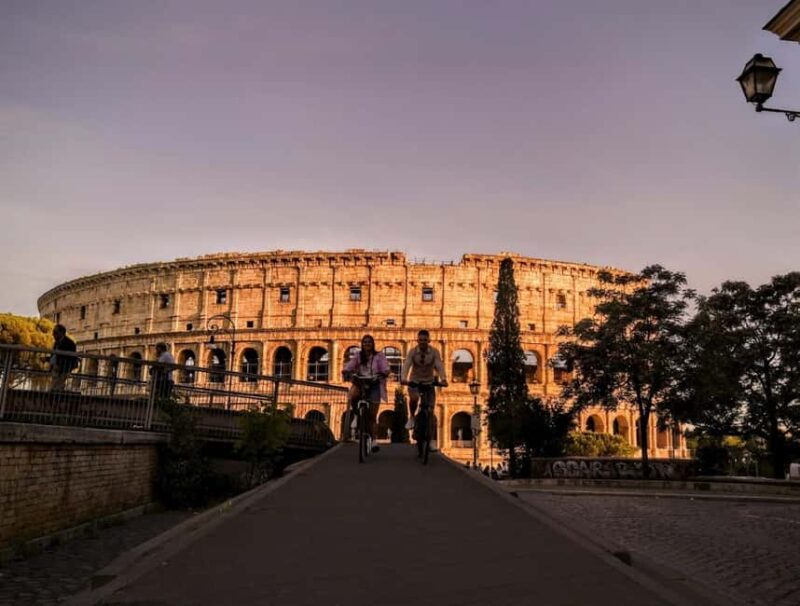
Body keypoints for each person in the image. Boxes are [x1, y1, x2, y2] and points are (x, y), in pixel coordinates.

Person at [400, 329, 448, 451]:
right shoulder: (412, 352)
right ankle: (411, 417)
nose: (422, 342)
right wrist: (403, 378)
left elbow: (439, 365)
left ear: (429, 340)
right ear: (417, 340)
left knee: (430, 411)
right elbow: (407, 365)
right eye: (420, 340)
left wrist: (443, 379)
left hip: (429, 382)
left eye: (425, 340)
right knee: (414, 398)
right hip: (415, 381)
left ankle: (431, 440)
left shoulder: (434, 352)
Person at [342, 334, 389, 453]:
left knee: (373, 417)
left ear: (373, 344)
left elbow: (385, 367)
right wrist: (346, 370)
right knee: (352, 395)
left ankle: (373, 441)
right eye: (365, 342)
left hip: (374, 384)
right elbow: (350, 365)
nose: (367, 344)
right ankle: (357, 415)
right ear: (362, 344)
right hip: (361, 382)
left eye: (369, 342)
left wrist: (385, 372)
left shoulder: (379, 356)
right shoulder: (358, 355)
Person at [49, 324, 78, 392]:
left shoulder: (69, 343)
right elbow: (55, 355)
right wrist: (48, 359)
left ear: (61, 332)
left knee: (57, 386)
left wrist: (63, 366)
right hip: (56, 367)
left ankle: (55, 399)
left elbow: (70, 356)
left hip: (63, 368)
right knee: (55, 385)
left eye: (55, 332)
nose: (53, 334)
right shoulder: (57, 342)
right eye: (53, 332)